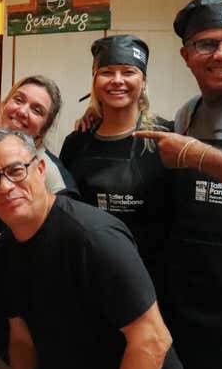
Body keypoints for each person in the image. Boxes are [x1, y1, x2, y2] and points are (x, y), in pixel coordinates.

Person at [0, 128, 187, 369]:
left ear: (41, 170)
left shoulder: (94, 238)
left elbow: (153, 340)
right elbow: (22, 342)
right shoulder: (6, 250)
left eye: (16, 171)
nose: (6, 186)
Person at [133, 0, 222, 369]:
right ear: (186, 55)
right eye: (206, 44)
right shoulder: (185, 116)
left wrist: (197, 155)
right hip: (191, 302)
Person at [0, 75, 78, 369]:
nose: (22, 111)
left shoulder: (52, 178)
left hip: (31, 328)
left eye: (37, 110)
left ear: (44, 127)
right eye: (19, 99)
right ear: (4, 102)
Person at [60, 35, 172, 298]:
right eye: (107, 72)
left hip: (151, 278)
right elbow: (64, 211)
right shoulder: (77, 142)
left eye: (128, 72)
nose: (117, 80)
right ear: (95, 81)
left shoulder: (167, 138)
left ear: (143, 81)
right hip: (89, 275)